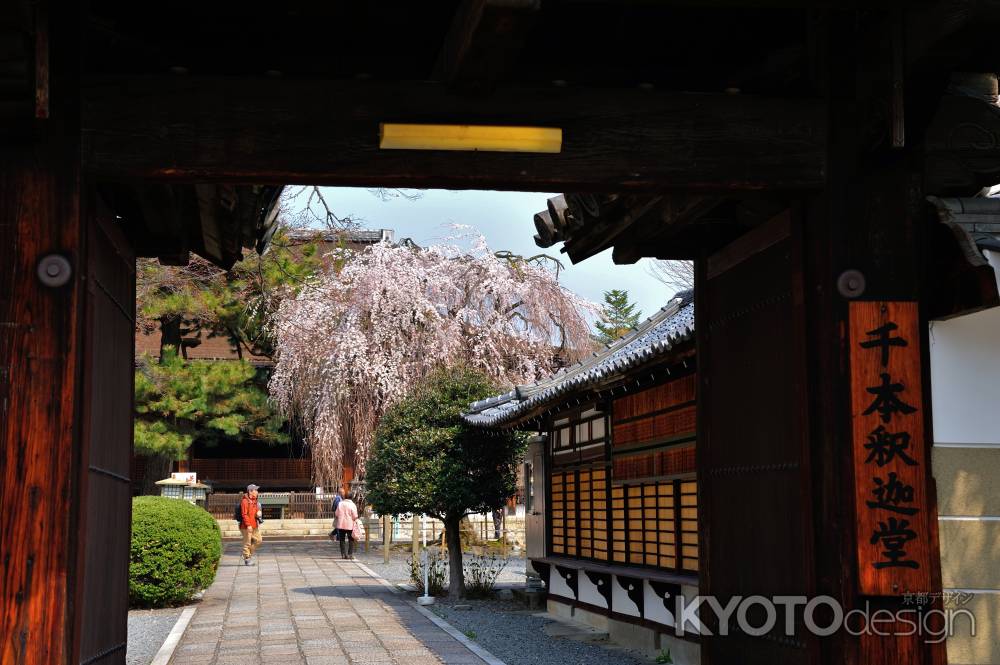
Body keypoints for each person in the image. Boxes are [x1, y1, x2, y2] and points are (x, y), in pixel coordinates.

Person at [240, 483, 263, 566]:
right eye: (255, 490)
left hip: (255, 525)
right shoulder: (245, 501)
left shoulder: (255, 501)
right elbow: (244, 514)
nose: (257, 492)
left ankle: (247, 554)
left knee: (259, 540)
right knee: (247, 543)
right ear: (250, 491)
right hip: (246, 526)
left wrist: (258, 513)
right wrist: (248, 525)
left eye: (257, 490)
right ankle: (247, 558)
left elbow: (256, 512)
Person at [334, 490, 359, 560]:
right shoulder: (352, 505)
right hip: (350, 524)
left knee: (342, 539)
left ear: (345, 496)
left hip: (341, 524)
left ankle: (343, 554)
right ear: (351, 497)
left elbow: (336, 514)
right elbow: (355, 516)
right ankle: (350, 554)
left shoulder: (340, 504)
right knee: (351, 539)